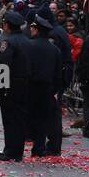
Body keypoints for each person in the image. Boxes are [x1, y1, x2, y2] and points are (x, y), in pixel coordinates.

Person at [23, 16, 63, 157]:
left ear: (37, 30)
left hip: (30, 87)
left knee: (26, 117)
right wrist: (53, 90)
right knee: (42, 120)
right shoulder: (55, 50)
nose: (31, 30)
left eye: (33, 28)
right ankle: (38, 148)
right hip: (46, 89)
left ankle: (19, 146)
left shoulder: (28, 46)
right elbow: (58, 74)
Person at [0, 11, 29, 162]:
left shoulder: (7, 43)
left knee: (9, 119)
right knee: (20, 119)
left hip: (11, 85)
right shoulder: (27, 41)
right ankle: (17, 150)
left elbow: (3, 67)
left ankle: (10, 150)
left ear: (6, 25)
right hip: (25, 85)